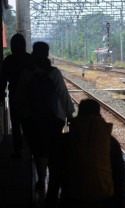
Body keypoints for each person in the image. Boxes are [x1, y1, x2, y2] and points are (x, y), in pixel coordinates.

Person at [26, 41, 75, 206]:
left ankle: (41, 179)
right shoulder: (53, 73)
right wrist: (69, 114)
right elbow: (63, 94)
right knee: (53, 149)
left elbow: (19, 96)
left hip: (31, 118)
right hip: (55, 118)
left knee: (38, 148)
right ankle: (53, 182)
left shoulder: (27, 73)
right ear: (47, 54)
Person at [62, 99, 125, 208]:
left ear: (79, 114)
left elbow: (57, 174)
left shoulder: (66, 140)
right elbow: (119, 177)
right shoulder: (110, 141)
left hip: (74, 199)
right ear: (99, 114)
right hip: (105, 199)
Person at [0, 33, 33, 159]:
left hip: (14, 96)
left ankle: (18, 151)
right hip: (30, 97)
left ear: (12, 46)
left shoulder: (8, 60)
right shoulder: (30, 59)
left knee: (16, 124)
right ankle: (31, 151)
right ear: (24, 45)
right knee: (28, 124)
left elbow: (3, 81)